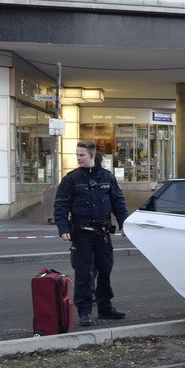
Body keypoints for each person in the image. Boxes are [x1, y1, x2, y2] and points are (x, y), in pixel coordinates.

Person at [54, 140, 129, 327]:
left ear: (92, 156)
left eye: (81, 155)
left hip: (102, 232)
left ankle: (105, 307)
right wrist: (63, 228)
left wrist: (124, 224)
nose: (78, 158)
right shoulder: (71, 179)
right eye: (77, 154)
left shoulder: (107, 178)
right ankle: (85, 311)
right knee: (83, 273)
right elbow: (61, 205)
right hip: (81, 233)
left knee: (105, 270)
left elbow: (118, 202)